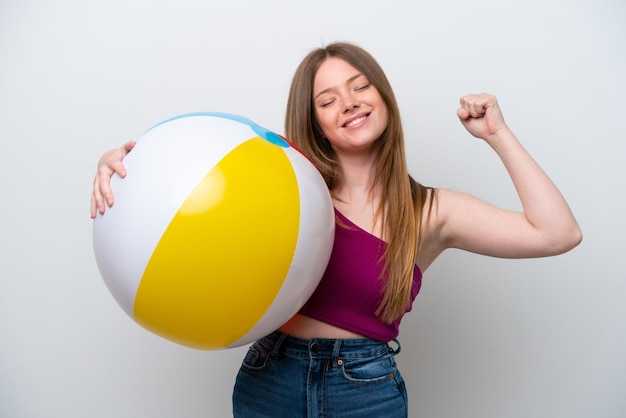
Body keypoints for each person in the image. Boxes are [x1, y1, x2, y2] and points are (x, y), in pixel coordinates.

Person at [90, 42, 582, 417]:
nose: (349, 102)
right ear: (317, 122)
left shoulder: (431, 211)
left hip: (363, 391)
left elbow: (557, 233)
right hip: (269, 379)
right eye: (327, 99)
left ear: (383, 97)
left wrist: (498, 135)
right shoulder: (282, 188)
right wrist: (123, 167)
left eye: (360, 86)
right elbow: (190, 194)